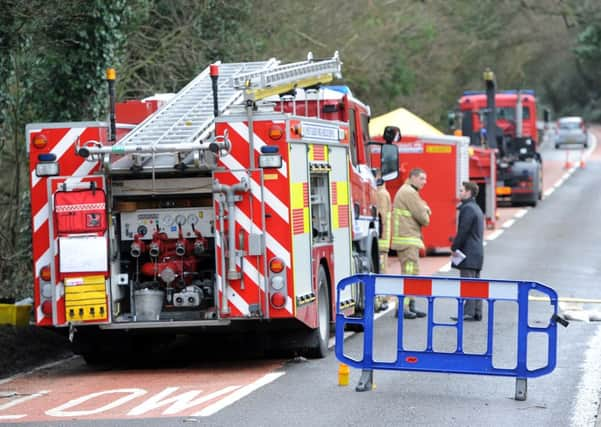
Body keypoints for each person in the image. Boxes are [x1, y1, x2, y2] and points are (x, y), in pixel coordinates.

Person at [390, 167, 431, 319]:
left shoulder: (408, 192)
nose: (424, 182)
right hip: (408, 241)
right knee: (408, 275)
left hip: (408, 241)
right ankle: (403, 308)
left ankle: (409, 305)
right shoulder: (409, 193)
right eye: (422, 178)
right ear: (413, 177)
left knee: (412, 274)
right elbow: (424, 218)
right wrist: (427, 209)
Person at [451, 181, 485, 321]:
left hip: (468, 252)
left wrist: (455, 246)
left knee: (467, 284)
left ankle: (468, 312)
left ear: (469, 192)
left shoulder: (468, 209)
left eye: (462, 190)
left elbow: (463, 230)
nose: (460, 193)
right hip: (477, 252)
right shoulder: (476, 208)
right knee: (475, 283)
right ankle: (477, 311)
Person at [375, 176, 391, 311]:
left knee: (380, 269)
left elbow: (381, 216)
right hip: (384, 240)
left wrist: (379, 238)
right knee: (383, 267)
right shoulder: (384, 193)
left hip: (381, 241)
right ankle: (383, 298)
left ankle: (381, 299)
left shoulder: (380, 194)